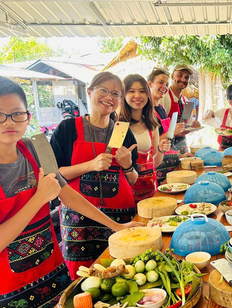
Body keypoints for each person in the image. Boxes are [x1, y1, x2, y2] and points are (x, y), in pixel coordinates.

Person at [0, 77, 141, 307]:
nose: (9, 122)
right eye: (0, 114)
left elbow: (67, 194)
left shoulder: (35, 147)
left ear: (27, 117)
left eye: (16, 113)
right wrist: (39, 199)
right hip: (10, 291)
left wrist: (117, 227)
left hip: (53, 273)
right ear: (90, 91)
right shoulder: (67, 129)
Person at [50, 71, 140, 278]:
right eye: (104, 91)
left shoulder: (121, 131)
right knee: (82, 275)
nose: (109, 97)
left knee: (124, 271)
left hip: (120, 212)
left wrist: (127, 166)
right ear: (89, 92)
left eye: (116, 94)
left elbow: (133, 179)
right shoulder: (68, 128)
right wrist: (90, 165)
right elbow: (55, 175)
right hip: (78, 216)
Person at [119, 74, 171, 202]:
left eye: (142, 91)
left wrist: (161, 150)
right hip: (127, 191)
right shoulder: (118, 126)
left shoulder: (152, 125)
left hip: (150, 190)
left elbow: (154, 164)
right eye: (131, 91)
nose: (137, 96)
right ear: (123, 95)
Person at [147, 68, 187, 183]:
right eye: (161, 82)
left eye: (167, 84)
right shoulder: (146, 112)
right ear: (150, 84)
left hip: (171, 164)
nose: (164, 87)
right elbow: (150, 144)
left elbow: (168, 143)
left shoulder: (161, 109)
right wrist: (173, 132)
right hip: (159, 168)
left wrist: (179, 155)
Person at [158, 64, 200, 154]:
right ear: (172, 76)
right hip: (166, 145)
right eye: (180, 75)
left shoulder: (186, 101)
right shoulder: (163, 97)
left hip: (182, 146)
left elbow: (187, 125)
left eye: (186, 77)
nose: (183, 80)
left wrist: (194, 125)